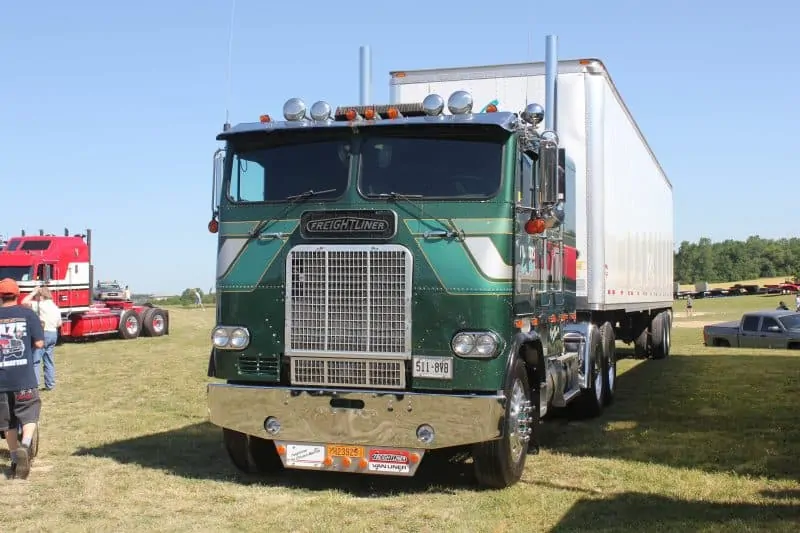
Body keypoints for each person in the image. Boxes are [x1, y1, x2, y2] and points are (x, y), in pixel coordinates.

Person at [0, 277, 44, 480]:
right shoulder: (28, 314)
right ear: (17, 294)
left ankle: (15, 459)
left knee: (6, 422)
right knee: (29, 413)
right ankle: (25, 446)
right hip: (24, 378)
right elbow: (40, 343)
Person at [22, 286, 62, 390]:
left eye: (36, 296)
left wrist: (33, 291)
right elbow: (59, 323)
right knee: (49, 360)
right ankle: (50, 384)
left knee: (35, 360)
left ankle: (34, 385)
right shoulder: (55, 306)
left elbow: (23, 302)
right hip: (53, 333)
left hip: (43, 333)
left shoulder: (40, 305)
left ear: (40, 296)